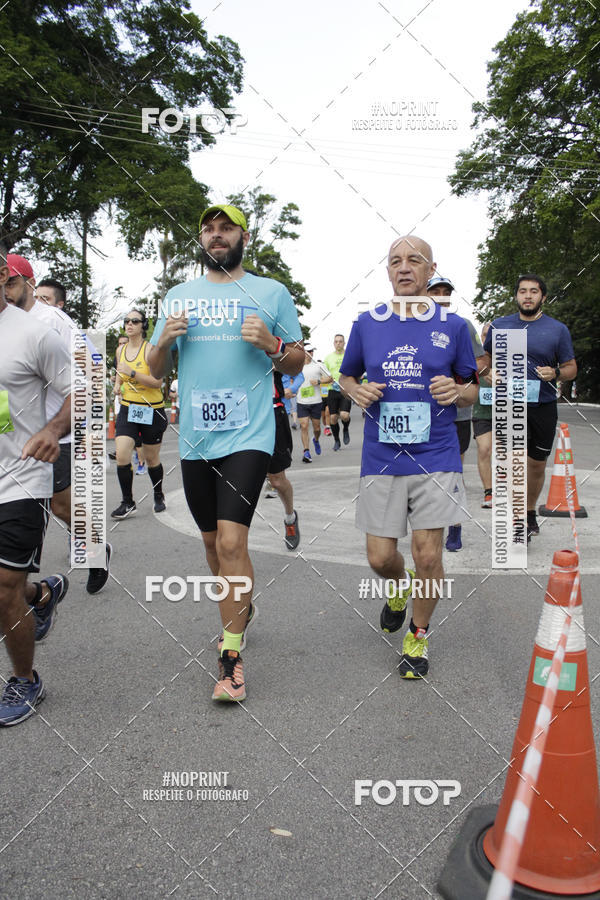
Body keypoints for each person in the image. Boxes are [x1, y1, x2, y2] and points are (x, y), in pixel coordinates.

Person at [148, 204, 304, 703]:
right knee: (213, 545)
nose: (217, 236)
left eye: (226, 228)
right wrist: (164, 341)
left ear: (243, 235)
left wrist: (273, 342)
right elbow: (155, 366)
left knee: (234, 543)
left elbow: (298, 360)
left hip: (249, 435)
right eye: (209, 230)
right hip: (196, 438)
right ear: (202, 239)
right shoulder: (179, 296)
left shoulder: (270, 292)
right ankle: (241, 606)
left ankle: (231, 658)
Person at [339, 236, 478, 679]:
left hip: (437, 452)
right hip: (382, 455)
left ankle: (417, 636)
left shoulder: (454, 326)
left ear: (430, 269)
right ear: (387, 271)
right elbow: (346, 375)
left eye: (414, 260)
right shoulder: (367, 323)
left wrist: (459, 391)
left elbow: (474, 386)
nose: (404, 268)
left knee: (428, 555)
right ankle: (400, 590)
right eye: (395, 261)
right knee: (380, 558)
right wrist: (355, 389)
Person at [4, 254, 111, 593]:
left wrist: (85, 424)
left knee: (61, 505)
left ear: (28, 282)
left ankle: (94, 550)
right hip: (14, 439)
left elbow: (92, 368)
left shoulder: (52, 320)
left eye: (13, 282)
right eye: (5, 283)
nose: (7, 289)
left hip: (55, 434)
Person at [0, 248, 72, 726]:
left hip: (20, 478)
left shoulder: (35, 334)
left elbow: (78, 391)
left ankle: (25, 679)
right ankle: (42, 595)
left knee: (3, 587)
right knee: (13, 587)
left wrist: (52, 429)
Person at [481, 274, 577, 542]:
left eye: (534, 291)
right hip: (509, 404)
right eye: (522, 291)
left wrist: (555, 372)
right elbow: (482, 360)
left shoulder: (557, 329)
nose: (527, 296)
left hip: (543, 405)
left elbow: (571, 368)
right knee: (516, 464)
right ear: (516, 296)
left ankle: (530, 512)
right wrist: (489, 371)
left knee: (536, 465)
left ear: (543, 297)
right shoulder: (499, 326)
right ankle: (519, 521)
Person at [427, 274, 486, 552]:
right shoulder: (410, 326)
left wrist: (458, 378)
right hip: (422, 412)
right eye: (435, 290)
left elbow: (481, 361)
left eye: (445, 291)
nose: (440, 295)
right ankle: (426, 522)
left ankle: (455, 525)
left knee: (452, 470)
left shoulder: (462, 325)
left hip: (457, 412)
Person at [112, 309, 168, 518]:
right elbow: (121, 370)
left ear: (143, 326)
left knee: (152, 459)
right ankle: (127, 502)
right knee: (122, 454)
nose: (129, 324)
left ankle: (158, 494)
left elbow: (158, 382)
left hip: (151, 409)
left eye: (135, 321)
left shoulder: (150, 350)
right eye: (126, 321)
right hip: (129, 407)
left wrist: (133, 373)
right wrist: (118, 384)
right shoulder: (121, 350)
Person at [267, 371, 300, 550]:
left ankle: (290, 518)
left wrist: (291, 388)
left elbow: (296, 367)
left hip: (272, 413)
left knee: (277, 481)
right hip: (242, 413)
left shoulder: (267, 343)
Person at [472, 323, 493, 508]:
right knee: (484, 449)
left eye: (493, 335)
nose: (489, 339)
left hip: (507, 413)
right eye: (485, 335)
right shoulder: (476, 359)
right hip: (481, 412)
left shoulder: (511, 359)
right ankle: (489, 492)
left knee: (504, 453)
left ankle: (504, 489)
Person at [322, 334, 352, 450]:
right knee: (333, 418)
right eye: (336, 342)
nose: (338, 343)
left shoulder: (349, 356)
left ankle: (345, 429)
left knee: (344, 415)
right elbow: (325, 376)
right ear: (333, 343)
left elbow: (354, 372)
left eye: (340, 341)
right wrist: (324, 381)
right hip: (332, 390)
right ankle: (337, 440)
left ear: (344, 343)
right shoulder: (328, 358)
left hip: (345, 389)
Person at [296, 346, 325, 463]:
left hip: (316, 402)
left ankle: (316, 440)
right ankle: (306, 451)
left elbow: (330, 378)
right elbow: (290, 379)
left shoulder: (319, 366)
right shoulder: (297, 366)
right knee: (304, 426)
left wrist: (319, 381)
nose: (310, 353)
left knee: (317, 428)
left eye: (312, 351)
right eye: (307, 351)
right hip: (301, 401)